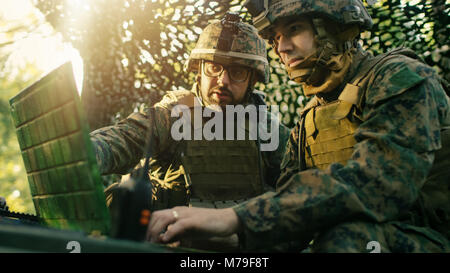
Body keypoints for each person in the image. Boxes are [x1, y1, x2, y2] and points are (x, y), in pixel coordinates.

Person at [146, 0, 450, 252]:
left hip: (427, 237)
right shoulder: (309, 119)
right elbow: (291, 218)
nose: (282, 47)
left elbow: (376, 184)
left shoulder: (400, 78)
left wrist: (235, 218)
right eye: (276, 38)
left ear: (334, 26)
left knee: (347, 238)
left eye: (294, 30)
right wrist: (227, 240)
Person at [90, 12, 290, 251]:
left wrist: (245, 238)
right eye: (214, 68)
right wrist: (84, 154)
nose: (222, 81)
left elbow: (299, 200)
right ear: (199, 70)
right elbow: (122, 139)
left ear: (252, 80)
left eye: (236, 72)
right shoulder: (174, 114)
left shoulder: (268, 130)